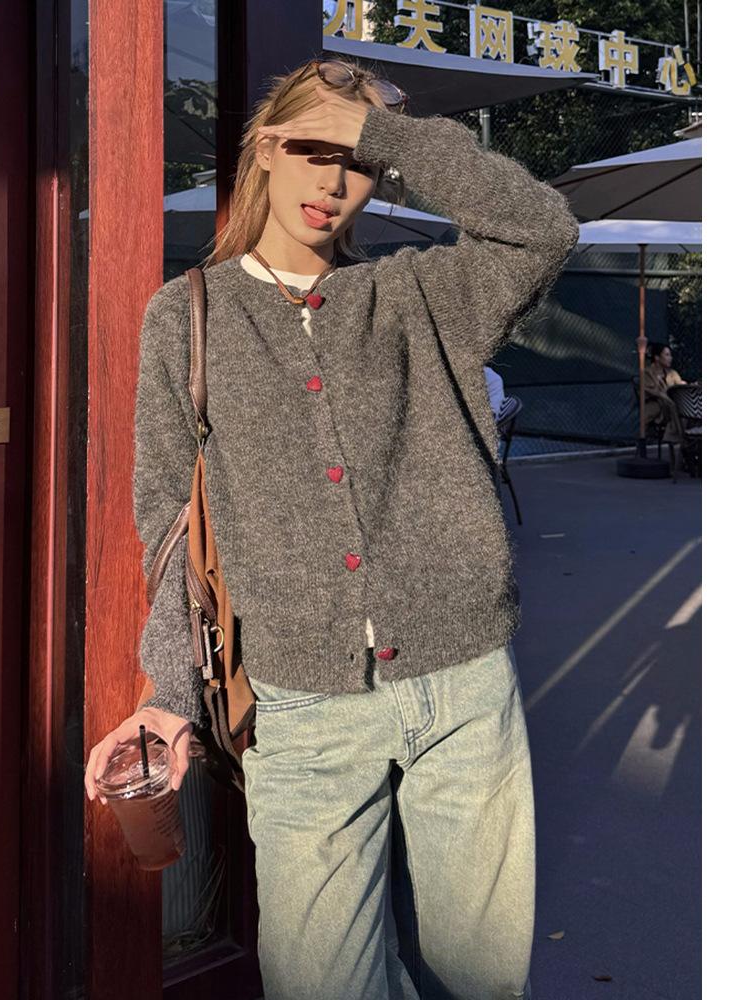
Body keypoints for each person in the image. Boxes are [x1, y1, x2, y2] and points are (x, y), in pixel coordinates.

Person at [85, 57, 580, 1000]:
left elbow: (540, 227)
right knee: (320, 980)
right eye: (315, 147)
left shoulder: (422, 295)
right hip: (301, 703)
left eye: (359, 162)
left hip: (464, 681)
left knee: (478, 981)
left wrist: (388, 133)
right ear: (265, 149)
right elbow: (169, 521)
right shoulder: (187, 316)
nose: (336, 179)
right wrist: (170, 693)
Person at [642, 341, 689, 444]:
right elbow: (652, 392)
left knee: (685, 408)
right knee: (674, 406)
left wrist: (685, 385)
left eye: (670, 355)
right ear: (657, 358)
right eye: (667, 355)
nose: (670, 358)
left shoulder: (672, 373)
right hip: (655, 405)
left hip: (669, 404)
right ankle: (676, 437)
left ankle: (679, 437)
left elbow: (679, 385)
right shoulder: (647, 373)